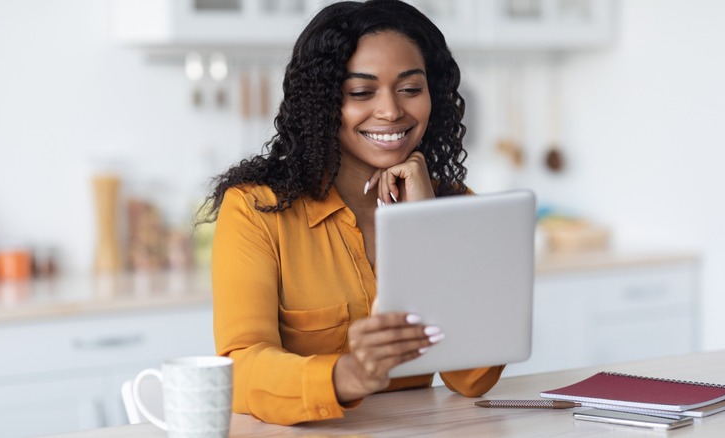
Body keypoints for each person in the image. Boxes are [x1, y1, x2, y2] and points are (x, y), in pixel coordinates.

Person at [201, 0, 504, 425]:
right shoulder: (257, 210)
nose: (391, 111)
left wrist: (426, 223)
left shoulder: (455, 206)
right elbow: (242, 366)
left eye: (410, 89)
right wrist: (348, 375)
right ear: (322, 102)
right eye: (361, 92)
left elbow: (474, 378)